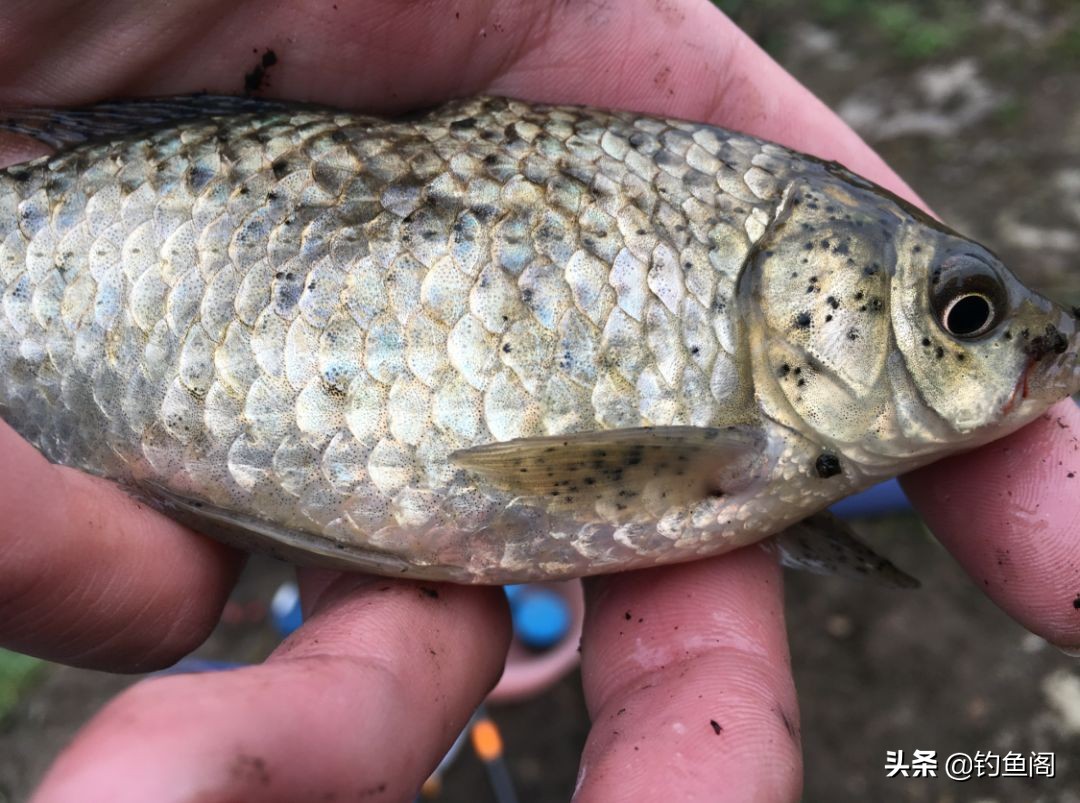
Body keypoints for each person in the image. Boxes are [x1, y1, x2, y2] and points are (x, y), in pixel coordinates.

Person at [3, 1, 1076, 800]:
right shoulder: (752, 446)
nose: (1011, 344)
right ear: (798, 288)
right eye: (965, 314)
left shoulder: (771, 438)